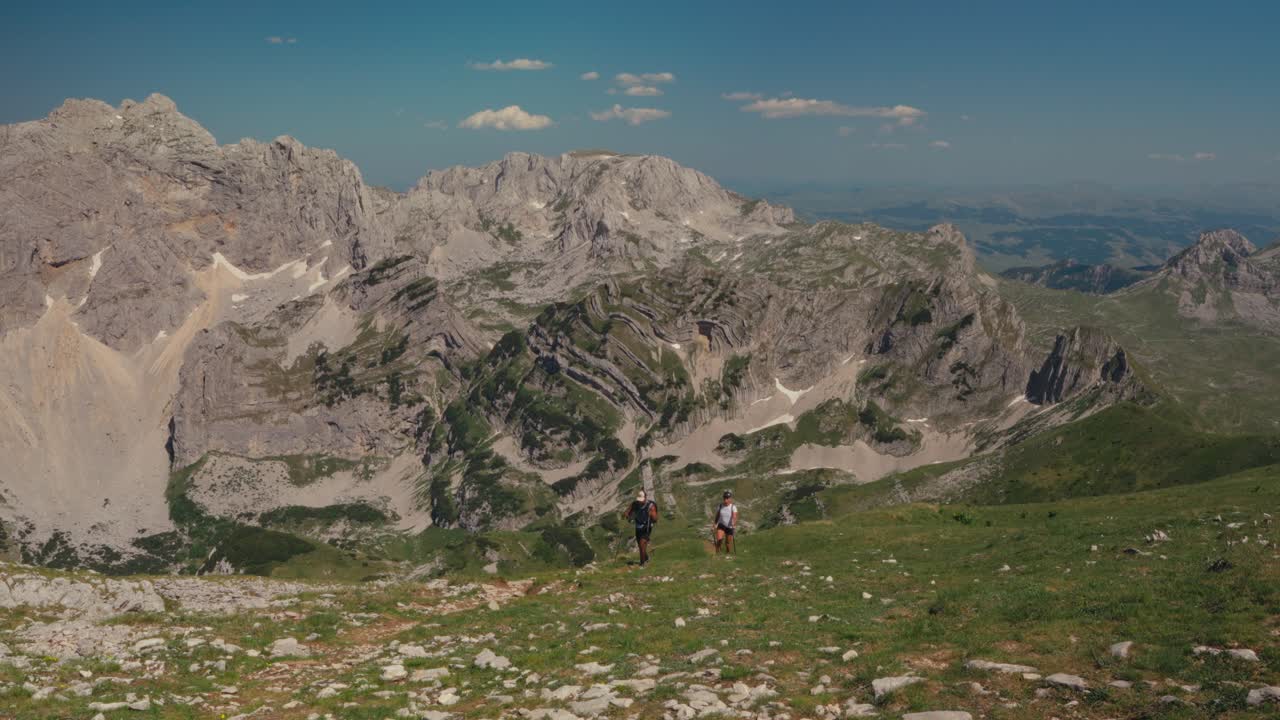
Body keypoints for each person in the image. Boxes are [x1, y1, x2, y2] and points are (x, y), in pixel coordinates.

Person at [624, 490, 658, 566]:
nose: (640, 502)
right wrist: (628, 516)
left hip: (647, 527)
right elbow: (627, 512)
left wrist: (651, 514)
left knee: (642, 544)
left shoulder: (651, 506)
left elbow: (655, 519)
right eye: (639, 500)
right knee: (640, 545)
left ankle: (642, 564)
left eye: (641, 500)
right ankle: (646, 558)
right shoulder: (635, 504)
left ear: (645, 498)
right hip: (638, 526)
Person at [713, 490, 738, 554]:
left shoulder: (733, 507)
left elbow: (735, 516)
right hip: (721, 525)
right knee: (719, 540)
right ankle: (717, 553)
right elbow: (717, 515)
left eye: (727, 498)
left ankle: (728, 554)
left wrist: (733, 522)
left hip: (729, 527)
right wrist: (715, 524)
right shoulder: (720, 506)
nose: (725, 500)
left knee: (728, 543)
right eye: (724, 498)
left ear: (730, 499)